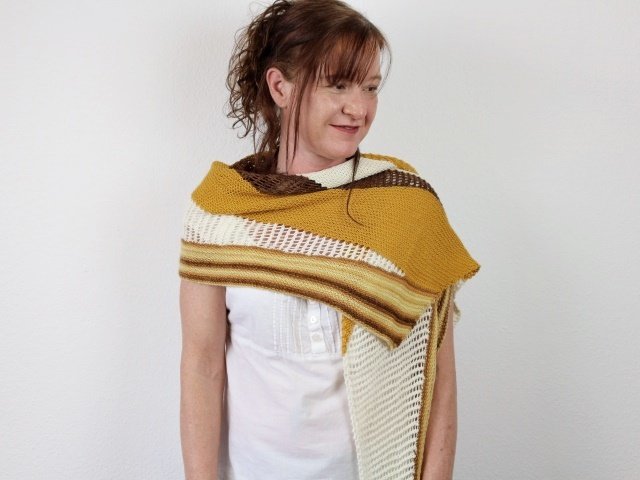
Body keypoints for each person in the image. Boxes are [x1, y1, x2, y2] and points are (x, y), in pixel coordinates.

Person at [178, 1, 480, 479]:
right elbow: (202, 365)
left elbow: (438, 375)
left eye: (370, 87)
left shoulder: (405, 207)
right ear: (281, 87)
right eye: (337, 84)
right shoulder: (221, 213)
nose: (358, 108)